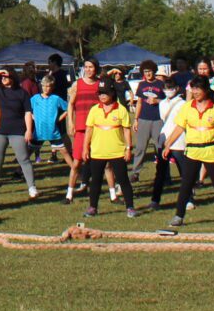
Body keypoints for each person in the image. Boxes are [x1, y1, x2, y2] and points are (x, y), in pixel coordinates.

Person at [164, 79, 214, 227]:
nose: (195, 92)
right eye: (193, 89)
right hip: (192, 151)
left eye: (198, 89)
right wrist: (168, 144)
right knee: (186, 185)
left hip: (212, 150)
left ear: (206, 90)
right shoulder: (187, 107)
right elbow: (179, 127)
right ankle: (179, 216)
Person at [78, 81, 137, 218]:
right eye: (100, 93)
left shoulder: (121, 109)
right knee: (96, 181)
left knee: (123, 180)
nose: (102, 96)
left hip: (117, 152)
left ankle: (130, 207)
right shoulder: (94, 110)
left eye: (105, 93)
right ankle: (93, 207)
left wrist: (128, 148)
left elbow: (127, 131)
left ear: (112, 93)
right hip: (97, 152)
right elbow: (89, 130)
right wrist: (85, 148)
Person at [0, 67, 39, 200]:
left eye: (7, 76)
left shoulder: (22, 93)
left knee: (24, 159)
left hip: (17, 131)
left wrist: (28, 130)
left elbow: (28, 112)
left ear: (13, 78)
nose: (3, 79)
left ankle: (32, 187)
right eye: (2, 77)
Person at [64, 57, 101, 201]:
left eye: (91, 67)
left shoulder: (100, 84)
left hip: (97, 128)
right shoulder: (77, 84)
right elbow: (71, 104)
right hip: (80, 128)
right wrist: (71, 123)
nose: (88, 70)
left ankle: (112, 192)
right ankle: (69, 193)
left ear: (96, 68)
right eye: (86, 67)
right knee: (77, 162)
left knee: (104, 162)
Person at [129, 61, 168, 178]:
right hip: (143, 119)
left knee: (160, 148)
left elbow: (167, 102)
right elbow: (139, 102)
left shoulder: (161, 84)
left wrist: (157, 101)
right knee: (140, 148)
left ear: (154, 71)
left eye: (149, 71)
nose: (148, 74)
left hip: (158, 120)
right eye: (145, 72)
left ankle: (164, 174)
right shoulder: (141, 85)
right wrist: (136, 119)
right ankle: (135, 173)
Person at [30, 73, 67, 167]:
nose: (47, 88)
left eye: (49, 86)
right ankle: (18, 171)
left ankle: (75, 170)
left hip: (53, 132)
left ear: (53, 87)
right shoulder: (35, 99)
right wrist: (33, 117)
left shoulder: (56, 99)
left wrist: (59, 119)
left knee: (64, 152)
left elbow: (68, 108)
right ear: (41, 86)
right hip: (38, 132)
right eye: (44, 86)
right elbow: (26, 110)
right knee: (26, 154)